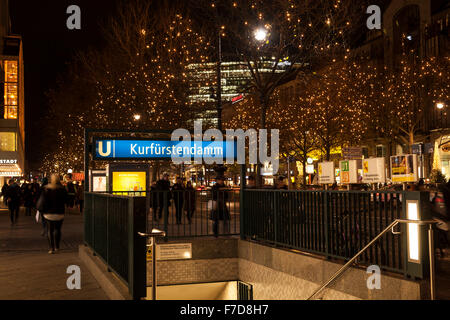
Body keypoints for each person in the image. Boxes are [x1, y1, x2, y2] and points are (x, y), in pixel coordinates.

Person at [37, 174, 68, 254]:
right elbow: (66, 200)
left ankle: (51, 248)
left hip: (48, 213)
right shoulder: (62, 189)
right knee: (57, 229)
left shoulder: (46, 188)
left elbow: (42, 200)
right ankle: (57, 247)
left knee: (50, 230)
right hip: (59, 212)